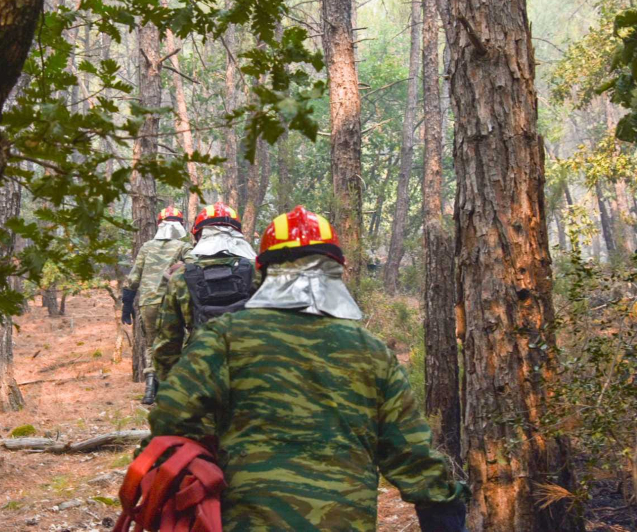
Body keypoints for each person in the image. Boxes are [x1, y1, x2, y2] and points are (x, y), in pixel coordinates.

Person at [143, 206, 469, 531]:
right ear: (337, 269)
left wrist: (207, 454)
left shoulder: (225, 339)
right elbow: (416, 460)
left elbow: (169, 416)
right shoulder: (372, 352)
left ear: (263, 271)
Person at [153, 202, 258, 381]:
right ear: (238, 234)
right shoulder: (258, 271)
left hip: (201, 373)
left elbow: (168, 341)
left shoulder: (181, 277)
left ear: (199, 235)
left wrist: (167, 385)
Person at [122, 206, 193, 405]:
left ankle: (150, 391)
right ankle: (174, 390)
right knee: (177, 343)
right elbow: (194, 266)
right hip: (173, 304)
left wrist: (126, 303)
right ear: (180, 224)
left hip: (148, 304)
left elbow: (133, 278)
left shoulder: (146, 247)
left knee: (152, 346)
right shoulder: (183, 247)